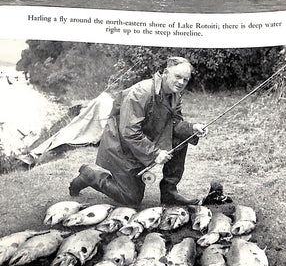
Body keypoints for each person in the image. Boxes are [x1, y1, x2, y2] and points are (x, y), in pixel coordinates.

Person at [69, 57, 207, 207]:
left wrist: (192, 128)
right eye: (178, 77)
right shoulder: (141, 92)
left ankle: (169, 193)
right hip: (121, 146)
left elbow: (174, 123)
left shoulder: (175, 94)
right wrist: (155, 153)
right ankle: (91, 175)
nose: (181, 83)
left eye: (185, 80)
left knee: (183, 136)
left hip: (144, 140)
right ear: (166, 73)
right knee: (131, 199)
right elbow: (129, 132)